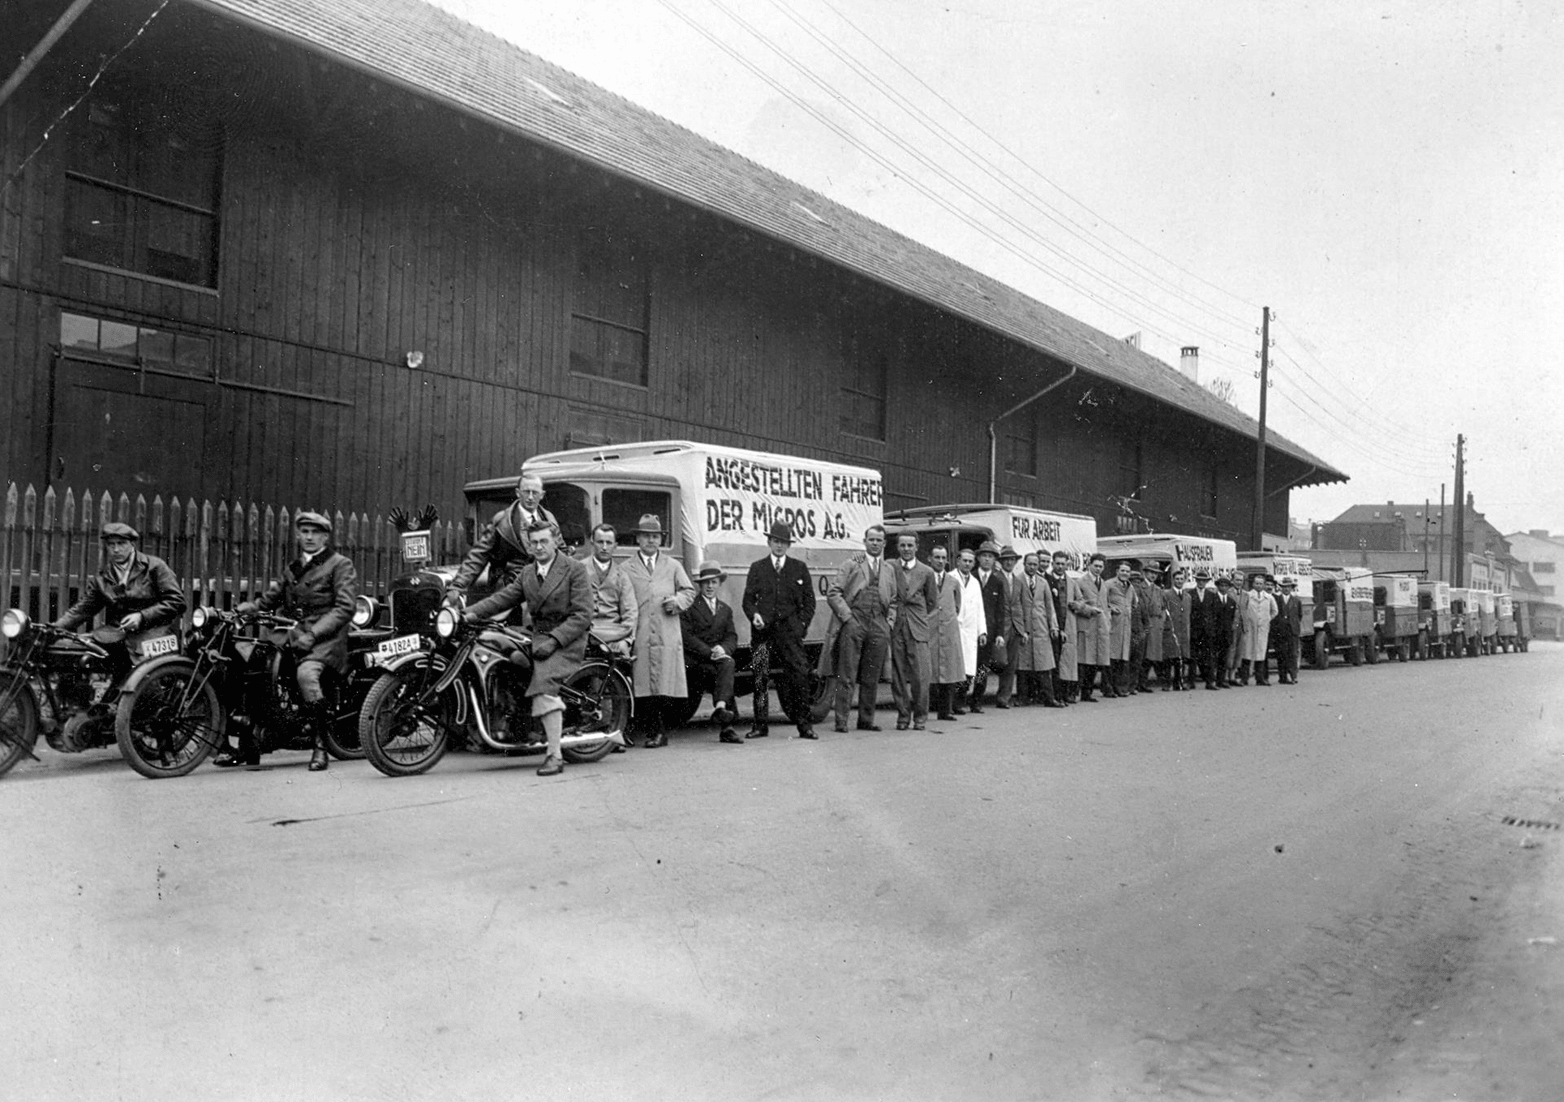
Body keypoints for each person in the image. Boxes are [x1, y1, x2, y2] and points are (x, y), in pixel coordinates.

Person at [226, 511, 357, 771]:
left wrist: (313, 634)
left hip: (325, 638)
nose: (309, 537)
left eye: (315, 533)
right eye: (304, 532)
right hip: (292, 634)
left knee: (306, 675)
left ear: (325, 537)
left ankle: (320, 745)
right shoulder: (295, 567)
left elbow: (345, 608)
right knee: (253, 665)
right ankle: (250, 743)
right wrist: (248, 608)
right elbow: (269, 600)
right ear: (298, 535)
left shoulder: (340, 564)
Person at [462, 521, 592, 776]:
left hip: (567, 638)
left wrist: (555, 640)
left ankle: (554, 755)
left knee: (544, 685)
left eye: (544, 541)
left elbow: (582, 615)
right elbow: (503, 598)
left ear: (555, 540)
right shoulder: (528, 572)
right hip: (537, 635)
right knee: (504, 655)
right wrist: (468, 614)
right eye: (534, 542)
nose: (539, 546)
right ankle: (522, 726)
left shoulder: (574, 569)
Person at [53, 522, 186, 681]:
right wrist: (54, 628)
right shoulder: (103, 578)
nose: (116, 549)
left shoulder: (154, 567)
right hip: (118, 633)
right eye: (111, 545)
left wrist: (142, 616)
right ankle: (79, 702)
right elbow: (82, 610)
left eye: (121, 544)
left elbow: (176, 601)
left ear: (132, 544)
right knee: (75, 651)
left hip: (155, 633)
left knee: (145, 681)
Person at [621, 514, 695, 748]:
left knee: (663, 684)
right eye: (646, 536)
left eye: (655, 536)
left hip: (666, 631)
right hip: (640, 631)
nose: (651, 540)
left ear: (660, 540)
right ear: (638, 539)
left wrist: (677, 601)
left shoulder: (672, 566)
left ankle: (660, 732)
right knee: (641, 683)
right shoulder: (626, 567)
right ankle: (643, 729)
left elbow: (689, 591)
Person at [740, 520, 818, 740]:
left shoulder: (798, 568)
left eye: (784, 542)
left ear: (789, 545)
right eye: (776, 541)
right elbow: (747, 600)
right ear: (769, 542)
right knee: (760, 677)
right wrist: (754, 615)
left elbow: (809, 602)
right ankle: (760, 725)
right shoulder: (758, 567)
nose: (779, 546)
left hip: (789, 633)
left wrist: (800, 626)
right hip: (763, 632)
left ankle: (805, 726)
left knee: (799, 676)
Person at [821, 524, 897, 732]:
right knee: (847, 674)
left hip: (878, 623)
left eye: (878, 540)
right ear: (864, 542)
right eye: (871, 539)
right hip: (855, 621)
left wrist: (888, 622)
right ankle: (842, 721)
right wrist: (847, 617)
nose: (875, 543)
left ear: (884, 543)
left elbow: (894, 600)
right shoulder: (851, 564)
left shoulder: (889, 569)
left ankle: (866, 720)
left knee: (871, 676)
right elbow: (833, 593)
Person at [446, 473, 559, 611]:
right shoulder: (502, 521)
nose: (530, 497)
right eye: (526, 492)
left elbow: (561, 552)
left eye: (535, 493)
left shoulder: (549, 519)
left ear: (542, 495)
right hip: (508, 589)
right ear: (518, 493)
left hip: (543, 588)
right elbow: (479, 555)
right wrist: (458, 585)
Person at [682, 562, 741, 744]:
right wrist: (709, 652)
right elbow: (687, 636)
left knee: (727, 663)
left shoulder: (725, 610)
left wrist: (724, 649)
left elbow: (731, 636)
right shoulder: (690, 607)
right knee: (724, 669)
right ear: (700, 585)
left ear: (719, 584)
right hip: (695, 659)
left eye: (714, 582)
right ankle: (727, 726)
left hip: (717, 658)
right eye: (706, 582)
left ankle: (721, 709)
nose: (710, 586)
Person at [888, 532, 938, 731]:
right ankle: (902, 715)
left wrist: (920, 617)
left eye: (910, 545)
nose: (906, 549)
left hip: (917, 627)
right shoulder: (890, 567)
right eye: (902, 545)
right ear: (898, 547)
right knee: (898, 675)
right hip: (897, 627)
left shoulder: (926, 572)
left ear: (917, 547)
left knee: (920, 677)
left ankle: (920, 716)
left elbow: (932, 601)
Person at [1011, 553, 1064, 707]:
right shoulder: (1018, 580)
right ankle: (1023, 698)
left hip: (1041, 629)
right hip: (1025, 629)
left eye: (1035, 564)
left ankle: (1049, 698)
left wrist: (1053, 626)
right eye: (1030, 564)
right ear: (1024, 564)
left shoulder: (1043, 582)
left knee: (1045, 666)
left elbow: (1050, 606)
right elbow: (1015, 606)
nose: (1032, 567)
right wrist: (1021, 629)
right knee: (1023, 667)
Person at [581, 523, 636, 655]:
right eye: (600, 542)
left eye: (609, 543)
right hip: (584, 633)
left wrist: (627, 641)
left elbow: (630, 612)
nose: (604, 547)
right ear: (592, 543)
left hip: (614, 634)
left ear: (615, 545)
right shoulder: (578, 569)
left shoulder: (622, 575)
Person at [969, 541, 1009, 713]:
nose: (986, 560)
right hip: (970, 628)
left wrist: (999, 633)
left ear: (994, 561)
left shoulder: (997, 581)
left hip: (989, 631)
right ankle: (957, 699)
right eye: (984, 556)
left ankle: (976, 700)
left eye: (990, 557)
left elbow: (1001, 610)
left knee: (982, 668)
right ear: (978, 558)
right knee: (966, 666)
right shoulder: (970, 577)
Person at [927, 546, 965, 720]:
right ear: (930, 559)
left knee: (949, 670)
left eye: (943, 558)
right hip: (930, 629)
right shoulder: (925, 578)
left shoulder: (953, 581)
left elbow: (957, 606)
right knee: (930, 669)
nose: (940, 561)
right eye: (937, 557)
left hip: (949, 630)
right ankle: (927, 707)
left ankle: (946, 710)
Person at [1073, 553, 1110, 701]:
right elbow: (1075, 604)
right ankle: (1078, 692)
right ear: (1089, 565)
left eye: (1101, 566)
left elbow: (1106, 604)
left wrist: (1108, 621)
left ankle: (1087, 693)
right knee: (1083, 662)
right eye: (1096, 566)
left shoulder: (1104, 584)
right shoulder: (1080, 582)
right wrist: (1088, 610)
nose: (1098, 569)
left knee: (1095, 661)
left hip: (1100, 626)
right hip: (1086, 625)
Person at [953, 548, 985, 714]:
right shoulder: (951, 578)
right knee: (954, 668)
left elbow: (980, 608)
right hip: (954, 629)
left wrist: (982, 632)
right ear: (958, 561)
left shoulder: (975, 582)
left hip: (971, 631)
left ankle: (960, 701)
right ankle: (950, 703)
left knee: (969, 670)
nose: (967, 564)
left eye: (970, 561)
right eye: (964, 560)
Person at [1048, 551, 1081, 702]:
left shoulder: (1072, 583)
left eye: (1063, 564)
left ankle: (1065, 694)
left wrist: (1077, 604)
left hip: (1068, 626)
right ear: (1052, 564)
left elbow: (1081, 600)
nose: (1060, 567)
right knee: (1053, 661)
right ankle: (1054, 694)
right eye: (1057, 563)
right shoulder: (1046, 580)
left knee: (1067, 662)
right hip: (1052, 626)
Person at [994, 546, 1025, 707]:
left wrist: (1023, 629)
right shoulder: (995, 578)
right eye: (1006, 559)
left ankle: (1003, 697)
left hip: (1015, 627)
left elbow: (1021, 605)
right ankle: (976, 695)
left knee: (1011, 665)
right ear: (1001, 562)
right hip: (1000, 626)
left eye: (1012, 559)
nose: (1009, 562)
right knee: (995, 662)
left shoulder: (1018, 581)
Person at [1239, 573, 1278, 686]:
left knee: (1260, 653)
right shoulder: (1247, 595)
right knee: (1247, 652)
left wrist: (1267, 619)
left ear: (1264, 585)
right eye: (1257, 583)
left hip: (1263, 628)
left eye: (1261, 584)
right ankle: (1244, 678)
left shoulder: (1269, 597)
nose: (1259, 585)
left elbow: (1275, 611)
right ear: (1253, 584)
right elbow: (1243, 609)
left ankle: (1260, 678)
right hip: (1250, 628)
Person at [1104, 561, 1136, 697]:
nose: (1125, 574)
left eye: (1127, 571)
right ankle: (1107, 688)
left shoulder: (1130, 587)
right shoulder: (1109, 584)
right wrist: (1111, 608)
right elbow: (1102, 603)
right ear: (1117, 571)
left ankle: (1118, 687)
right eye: (1123, 571)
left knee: (1120, 661)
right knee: (1109, 660)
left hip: (1125, 629)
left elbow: (1134, 603)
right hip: (1112, 627)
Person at [1190, 569, 1223, 690]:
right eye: (1199, 580)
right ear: (1196, 581)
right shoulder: (1190, 594)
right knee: (1192, 658)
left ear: (1207, 582)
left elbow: (1217, 614)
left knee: (1209, 657)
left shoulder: (1212, 595)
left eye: (1203, 581)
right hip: (1194, 631)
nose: (1201, 583)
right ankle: (1191, 682)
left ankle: (1210, 682)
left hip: (1208, 632)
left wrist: (1213, 629)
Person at [1162, 567, 1192, 691]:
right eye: (1177, 579)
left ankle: (1179, 683)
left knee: (1182, 658)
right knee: (1169, 658)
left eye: (1181, 579)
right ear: (1173, 580)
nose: (1179, 581)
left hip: (1183, 631)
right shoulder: (1166, 594)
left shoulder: (1188, 597)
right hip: (1171, 630)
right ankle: (1167, 683)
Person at [1139, 563, 1167, 692]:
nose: (1153, 575)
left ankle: (1148, 682)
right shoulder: (1140, 587)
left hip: (1156, 625)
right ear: (1145, 572)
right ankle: (1141, 683)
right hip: (1146, 623)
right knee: (1145, 655)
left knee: (1153, 654)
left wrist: (1161, 621)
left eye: (1155, 573)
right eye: (1151, 572)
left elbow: (1163, 608)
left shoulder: (1158, 589)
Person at [1272, 577, 1305, 684]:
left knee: (1293, 654)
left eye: (1288, 587)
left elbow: (1299, 615)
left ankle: (1293, 676)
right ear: (1281, 588)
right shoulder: (1276, 599)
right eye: (1284, 587)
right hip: (1280, 631)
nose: (1286, 589)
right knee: (1281, 654)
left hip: (1292, 631)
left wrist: (1294, 625)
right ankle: (1282, 676)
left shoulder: (1296, 601)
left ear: (1292, 588)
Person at [1128, 566, 1154, 694]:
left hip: (1139, 633)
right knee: (1127, 661)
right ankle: (1125, 686)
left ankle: (1133, 686)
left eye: (1138, 582)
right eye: (1134, 582)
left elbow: (1145, 616)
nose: (1136, 584)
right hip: (1128, 632)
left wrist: (1146, 630)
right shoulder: (1127, 596)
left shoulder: (1141, 598)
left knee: (1137, 661)